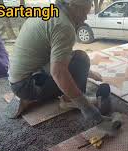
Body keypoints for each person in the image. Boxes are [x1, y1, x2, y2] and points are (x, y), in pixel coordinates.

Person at [7, 0, 114, 130]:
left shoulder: (48, 12)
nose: (85, 17)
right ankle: (69, 101)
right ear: (73, 6)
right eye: (85, 12)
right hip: (27, 85)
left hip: (19, 80)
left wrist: (89, 74)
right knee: (81, 59)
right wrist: (86, 108)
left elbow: (58, 58)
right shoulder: (64, 25)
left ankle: (35, 96)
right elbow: (58, 72)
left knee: (73, 57)